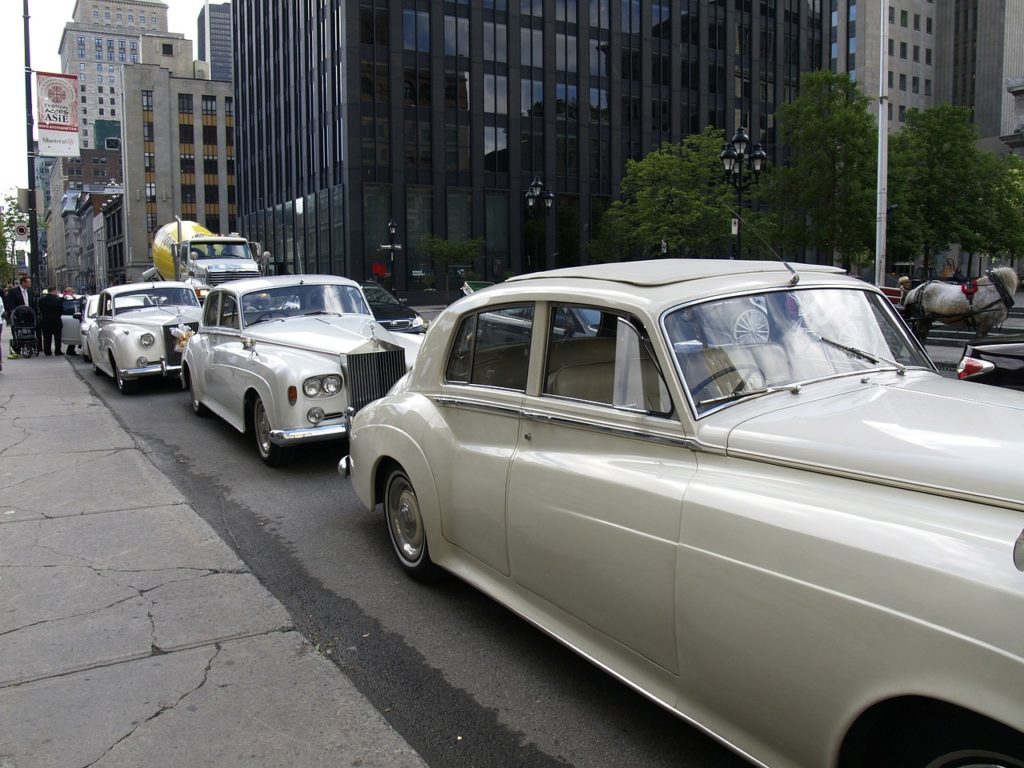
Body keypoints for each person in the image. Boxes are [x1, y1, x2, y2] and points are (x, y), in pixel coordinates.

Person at [5, 275, 35, 358]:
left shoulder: (30, 291)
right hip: (18, 315)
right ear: (23, 283)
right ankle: (17, 348)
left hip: (29, 315)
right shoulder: (13, 291)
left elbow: (32, 302)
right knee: (17, 330)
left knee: (29, 330)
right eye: (28, 282)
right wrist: (13, 313)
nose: (30, 283)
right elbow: (11, 304)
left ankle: (29, 345)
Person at [37, 285, 64, 356]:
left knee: (47, 337)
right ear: (54, 290)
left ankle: (47, 351)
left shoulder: (41, 300)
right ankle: (57, 351)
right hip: (56, 321)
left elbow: (40, 310)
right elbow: (61, 310)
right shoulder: (58, 300)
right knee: (57, 337)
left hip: (46, 321)